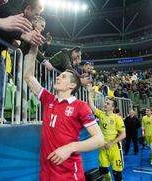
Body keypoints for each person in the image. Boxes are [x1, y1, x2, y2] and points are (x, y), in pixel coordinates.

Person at [23, 44, 104, 180]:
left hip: (69, 173)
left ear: (72, 86)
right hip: (46, 172)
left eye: (63, 76)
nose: (58, 77)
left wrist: (70, 147)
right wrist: (33, 48)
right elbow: (28, 77)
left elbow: (100, 139)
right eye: (59, 75)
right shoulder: (48, 99)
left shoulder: (81, 106)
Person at [88, 86, 126, 181]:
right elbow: (91, 105)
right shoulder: (101, 114)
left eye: (108, 103)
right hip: (103, 147)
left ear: (113, 107)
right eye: (105, 102)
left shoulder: (117, 118)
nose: (105, 104)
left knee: (117, 173)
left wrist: (111, 143)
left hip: (114, 148)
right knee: (103, 170)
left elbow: (123, 135)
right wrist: (90, 93)